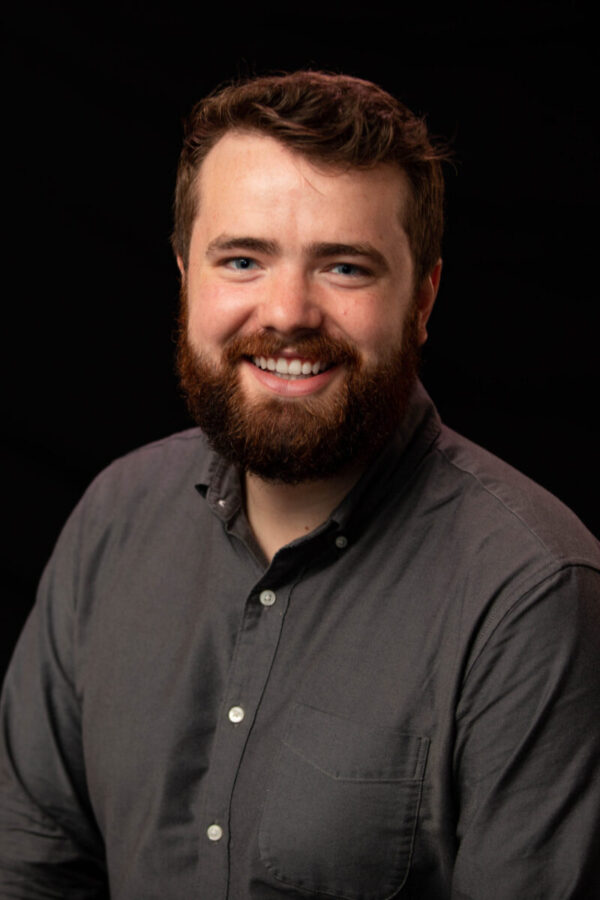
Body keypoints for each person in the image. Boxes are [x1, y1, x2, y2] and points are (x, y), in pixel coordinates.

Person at [1, 71, 599, 899]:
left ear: (422, 298)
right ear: (185, 277)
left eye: (345, 268)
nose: (287, 312)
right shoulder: (114, 517)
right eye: (242, 259)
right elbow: (29, 863)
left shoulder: (532, 593)